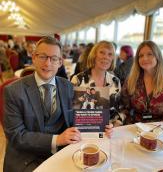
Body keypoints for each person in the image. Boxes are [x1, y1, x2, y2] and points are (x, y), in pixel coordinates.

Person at [2, 36, 112, 172]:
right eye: (43, 56)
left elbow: (78, 120)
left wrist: (101, 127)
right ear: (34, 57)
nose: (48, 63)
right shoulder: (13, 91)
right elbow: (16, 136)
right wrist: (57, 139)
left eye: (54, 58)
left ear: (60, 62)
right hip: (27, 158)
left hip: (62, 153)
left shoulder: (68, 86)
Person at [121, 40, 163, 124]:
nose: (145, 58)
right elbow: (124, 107)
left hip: (161, 130)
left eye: (150, 54)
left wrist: (152, 133)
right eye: (141, 56)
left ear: (157, 57)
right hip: (134, 128)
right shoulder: (132, 79)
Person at [71, 40, 126, 126]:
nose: (106, 57)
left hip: (110, 132)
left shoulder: (115, 81)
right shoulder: (78, 79)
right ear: (94, 55)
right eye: (102, 52)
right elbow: (70, 110)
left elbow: (119, 109)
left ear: (113, 59)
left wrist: (116, 124)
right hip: (85, 131)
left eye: (110, 54)